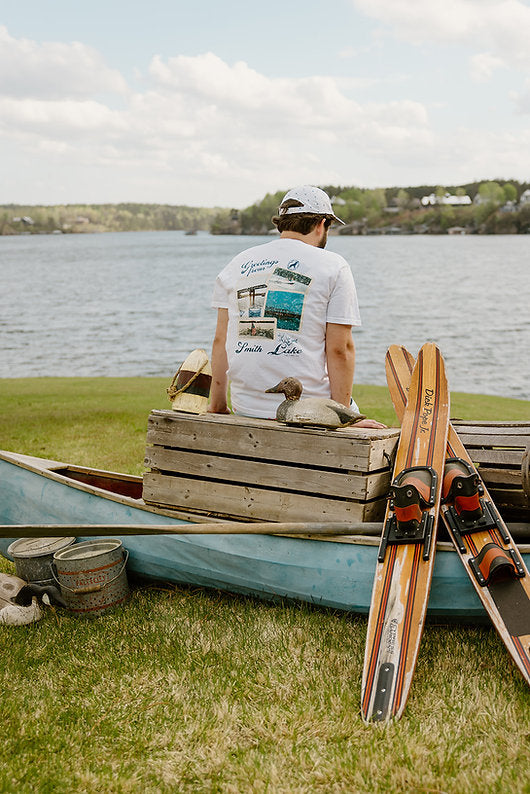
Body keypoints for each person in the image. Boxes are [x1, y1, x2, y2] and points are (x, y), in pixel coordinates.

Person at [208, 185, 385, 429]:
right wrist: (342, 417)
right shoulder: (334, 266)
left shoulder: (237, 263)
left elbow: (220, 340)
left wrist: (217, 405)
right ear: (322, 224)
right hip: (308, 411)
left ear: (282, 223)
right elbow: (340, 349)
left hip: (246, 408)